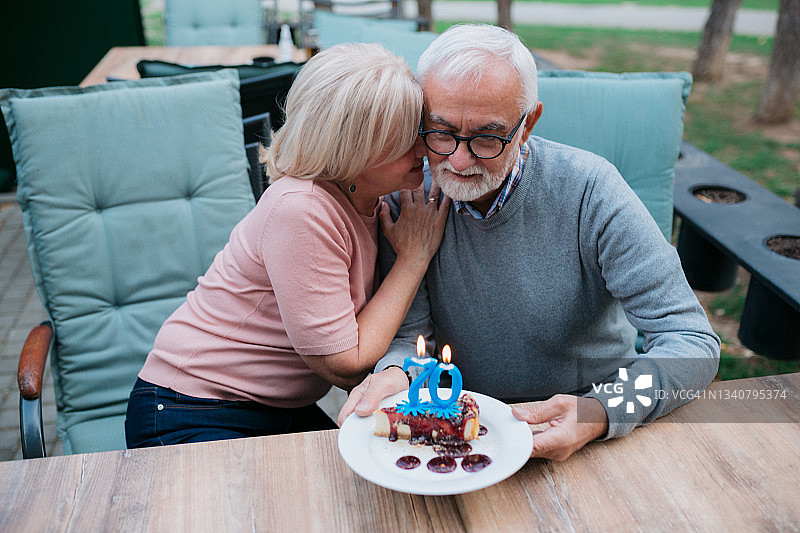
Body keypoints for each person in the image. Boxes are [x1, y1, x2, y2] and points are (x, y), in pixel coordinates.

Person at [338, 24, 720, 461]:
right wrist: (394, 372)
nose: (458, 162)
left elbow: (692, 340)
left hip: (594, 434)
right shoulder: (409, 198)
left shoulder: (591, 191)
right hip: (465, 438)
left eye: (487, 137)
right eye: (440, 132)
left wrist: (601, 412)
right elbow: (410, 337)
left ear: (527, 125)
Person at [125, 43, 450, 447]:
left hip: (271, 409)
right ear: (353, 150)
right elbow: (344, 365)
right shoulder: (302, 209)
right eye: (405, 141)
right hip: (191, 407)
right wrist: (413, 258)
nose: (424, 150)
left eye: (420, 133)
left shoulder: (371, 198)